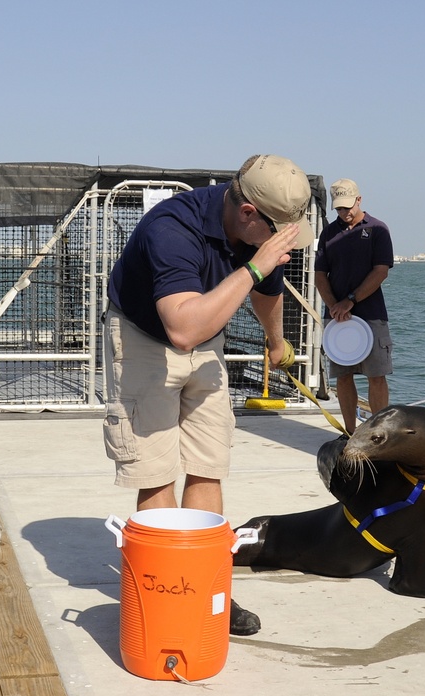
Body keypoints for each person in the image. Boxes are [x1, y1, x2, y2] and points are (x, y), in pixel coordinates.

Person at [102, 154, 312, 634]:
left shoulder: (262, 238)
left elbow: (267, 292)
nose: (287, 245)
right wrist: (254, 268)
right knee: (156, 473)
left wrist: (276, 342)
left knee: (207, 466)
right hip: (145, 340)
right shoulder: (171, 227)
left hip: (207, 339)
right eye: (280, 233)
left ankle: (206, 588)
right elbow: (181, 327)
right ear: (248, 214)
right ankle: (163, 595)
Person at [313, 178, 394, 435]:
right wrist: (334, 306)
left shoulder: (378, 229)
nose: (344, 213)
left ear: (359, 200)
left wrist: (350, 300)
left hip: (371, 315)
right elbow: (319, 275)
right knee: (343, 376)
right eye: (339, 208)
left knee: (376, 375)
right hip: (337, 318)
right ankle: (349, 433)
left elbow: (380, 271)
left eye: (348, 207)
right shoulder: (329, 233)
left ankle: (378, 435)